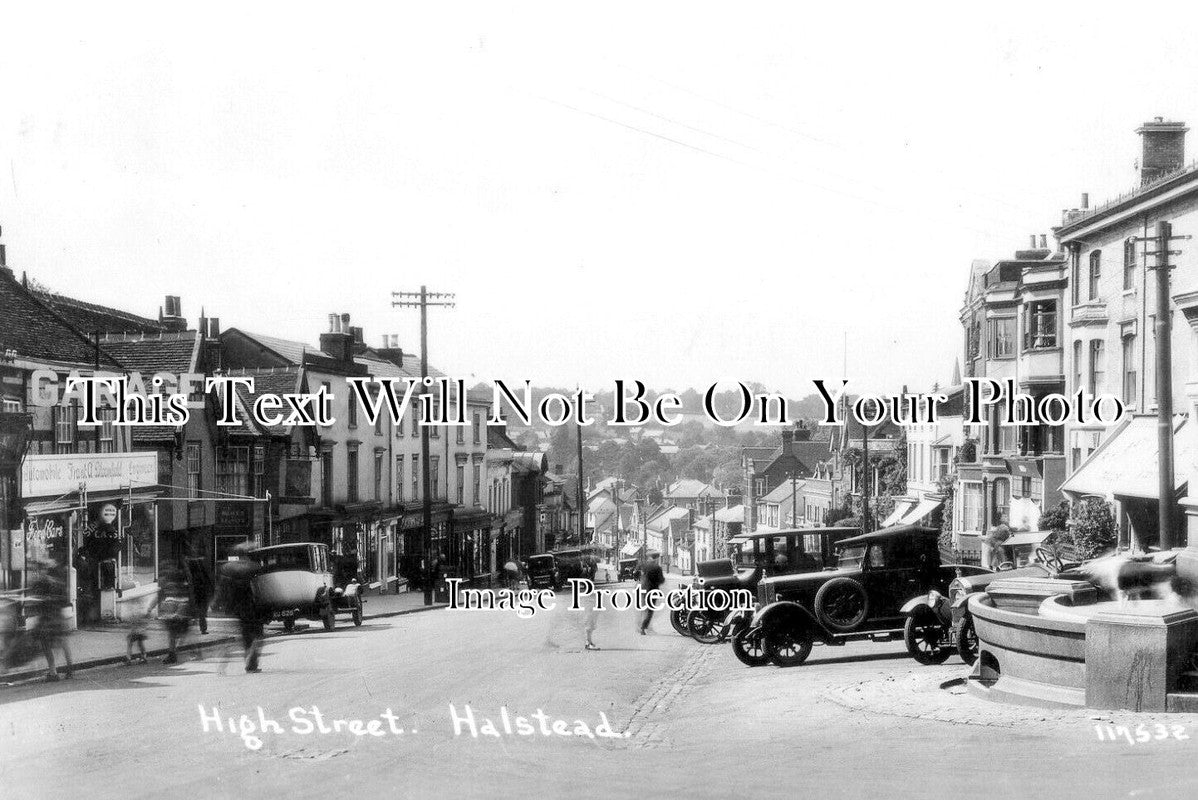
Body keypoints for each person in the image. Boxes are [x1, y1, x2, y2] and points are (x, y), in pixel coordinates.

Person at [217, 544, 265, 673]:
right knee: (258, 634)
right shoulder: (255, 567)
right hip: (253, 606)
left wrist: (221, 603)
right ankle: (252, 662)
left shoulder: (228, 568)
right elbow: (261, 588)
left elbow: (222, 588)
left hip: (236, 607)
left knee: (245, 635)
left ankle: (247, 659)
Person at [27, 561, 73, 682]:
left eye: (38, 570)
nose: (36, 572)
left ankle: (53, 672)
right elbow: (65, 600)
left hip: (47, 619)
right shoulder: (57, 583)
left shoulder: (39, 583)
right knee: (62, 643)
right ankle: (69, 669)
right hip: (58, 617)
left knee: (46, 645)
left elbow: (37, 601)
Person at [184, 556, 214, 635]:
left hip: (197, 594)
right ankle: (202, 628)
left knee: (199, 612)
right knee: (202, 612)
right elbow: (207, 582)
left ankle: (199, 626)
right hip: (201, 595)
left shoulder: (192, 574)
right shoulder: (201, 573)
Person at [639, 553, 665, 635]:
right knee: (650, 610)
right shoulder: (657, 568)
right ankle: (643, 627)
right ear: (656, 558)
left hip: (644, 589)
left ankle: (644, 626)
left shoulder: (646, 566)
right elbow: (661, 580)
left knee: (644, 608)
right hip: (652, 590)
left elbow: (641, 575)